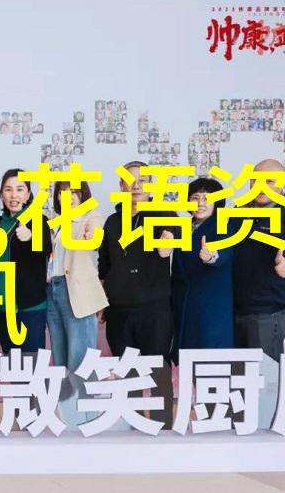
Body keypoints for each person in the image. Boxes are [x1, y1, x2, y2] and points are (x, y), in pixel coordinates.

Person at [98, 160, 176, 428]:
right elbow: (104, 266)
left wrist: (168, 243)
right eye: (129, 181)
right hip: (119, 310)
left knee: (158, 370)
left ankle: (163, 428)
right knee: (127, 373)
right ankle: (134, 428)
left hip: (155, 309)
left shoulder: (164, 214)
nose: (136, 186)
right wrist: (102, 303)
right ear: (121, 186)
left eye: (142, 180)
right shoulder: (112, 222)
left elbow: (174, 236)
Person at [232, 158, 285, 428]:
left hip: (266, 311)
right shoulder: (236, 213)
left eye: (269, 181)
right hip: (233, 308)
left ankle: (269, 428)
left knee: (266, 374)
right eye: (256, 180)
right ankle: (240, 425)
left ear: (282, 185)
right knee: (238, 375)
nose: (261, 186)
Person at [46, 180, 108, 428]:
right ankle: (67, 421)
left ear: (83, 195)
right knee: (60, 361)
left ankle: (85, 421)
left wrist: (91, 234)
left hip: (77, 293)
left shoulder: (90, 217)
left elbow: (95, 234)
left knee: (80, 360)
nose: (69, 196)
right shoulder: (56, 223)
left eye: (74, 192)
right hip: (53, 290)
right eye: (63, 192)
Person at [0, 168, 51, 353]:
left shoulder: (38, 220)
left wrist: (31, 237)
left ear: (28, 194)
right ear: (1, 194)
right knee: (10, 363)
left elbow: (47, 248)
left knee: (31, 364)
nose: (13, 195)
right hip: (1, 307)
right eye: (8, 189)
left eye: (20, 189)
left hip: (29, 307)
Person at [171, 177, 234, 359]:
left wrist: (211, 256)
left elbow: (224, 253)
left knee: (210, 361)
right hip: (185, 305)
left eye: (207, 198)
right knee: (188, 361)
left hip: (210, 308)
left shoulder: (221, 226)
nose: (200, 203)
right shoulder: (183, 228)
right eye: (195, 198)